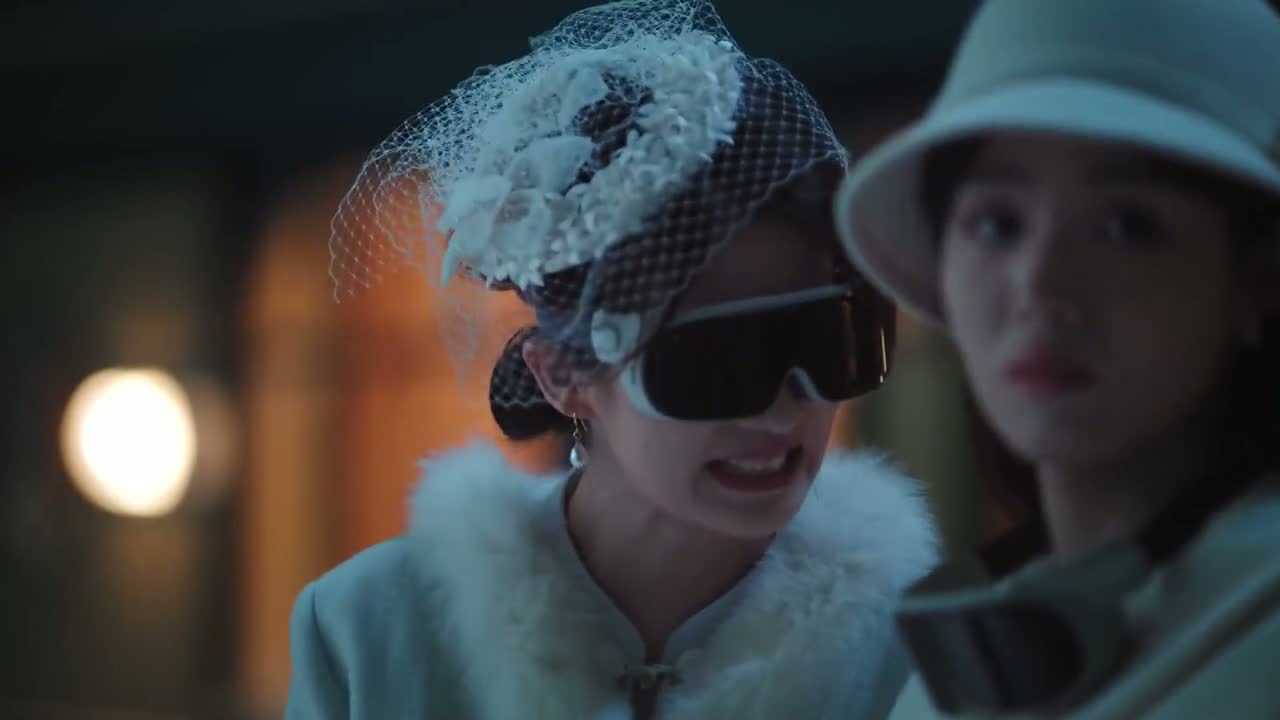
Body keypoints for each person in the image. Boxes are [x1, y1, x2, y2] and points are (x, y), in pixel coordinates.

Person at [286, 1, 939, 718]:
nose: (783, 409)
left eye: (829, 342)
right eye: (716, 361)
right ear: (562, 377)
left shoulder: (923, 653)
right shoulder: (367, 631)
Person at [834, 0, 1280, 717]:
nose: (1040, 287)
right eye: (995, 223)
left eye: (1126, 225)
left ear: (1259, 277)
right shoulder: (943, 682)